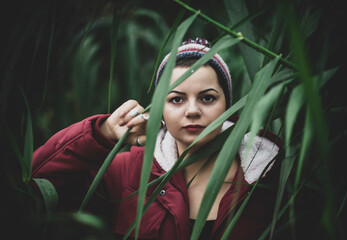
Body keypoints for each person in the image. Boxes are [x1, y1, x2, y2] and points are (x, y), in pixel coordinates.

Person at [32, 38, 282, 239]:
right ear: (160, 109)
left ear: (228, 105)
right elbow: (37, 184)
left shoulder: (268, 173)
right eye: (176, 99)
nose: (192, 110)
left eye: (207, 98)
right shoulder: (130, 173)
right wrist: (103, 133)